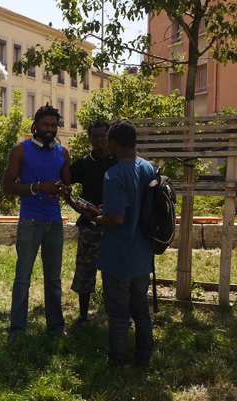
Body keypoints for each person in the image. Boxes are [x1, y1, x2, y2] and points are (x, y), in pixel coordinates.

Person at [3, 103, 72, 342]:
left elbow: (67, 186)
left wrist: (63, 190)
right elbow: (7, 186)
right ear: (36, 126)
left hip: (54, 221)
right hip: (30, 221)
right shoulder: (20, 150)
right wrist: (38, 187)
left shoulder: (62, 153)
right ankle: (17, 329)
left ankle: (56, 326)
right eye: (45, 124)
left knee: (54, 278)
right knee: (23, 277)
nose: (50, 129)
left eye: (54, 125)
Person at [92, 119, 155, 367]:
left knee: (118, 315)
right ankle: (144, 359)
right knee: (141, 311)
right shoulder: (149, 169)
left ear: (115, 143)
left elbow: (117, 218)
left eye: (108, 140)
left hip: (118, 257)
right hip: (142, 255)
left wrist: (98, 218)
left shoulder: (114, 174)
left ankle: (118, 362)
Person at [66, 121, 116, 325]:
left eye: (102, 135)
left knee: (115, 274)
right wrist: (76, 207)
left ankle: (115, 313)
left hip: (115, 226)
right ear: (90, 139)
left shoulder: (119, 161)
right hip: (89, 227)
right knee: (85, 272)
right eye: (95, 136)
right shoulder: (84, 163)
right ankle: (83, 316)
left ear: (109, 137)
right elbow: (64, 184)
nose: (99, 139)